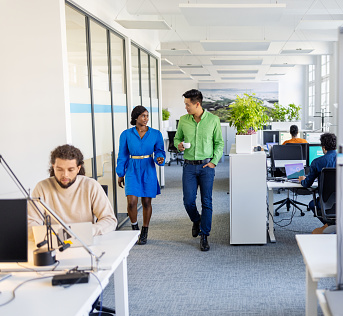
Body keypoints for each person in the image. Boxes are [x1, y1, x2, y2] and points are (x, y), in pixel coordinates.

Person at [27, 144, 117, 241]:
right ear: (53, 167)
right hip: (55, 242)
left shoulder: (91, 185)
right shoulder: (42, 187)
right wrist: (49, 236)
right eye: (59, 169)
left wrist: (91, 231)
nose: (65, 175)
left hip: (85, 241)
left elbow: (109, 220)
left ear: (78, 168)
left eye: (70, 170)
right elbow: (31, 223)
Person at [174, 89, 224, 252]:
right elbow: (177, 138)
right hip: (188, 166)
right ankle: (196, 220)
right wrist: (178, 145)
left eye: (188, 105)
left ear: (197, 104)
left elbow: (219, 143)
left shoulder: (213, 120)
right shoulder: (183, 120)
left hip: (206, 166)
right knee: (188, 201)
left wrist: (214, 162)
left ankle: (204, 235)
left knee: (206, 201)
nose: (186, 108)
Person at [116, 105, 165, 245]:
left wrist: (160, 159)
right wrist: (121, 173)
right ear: (136, 117)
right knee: (131, 202)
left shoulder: (156, 134)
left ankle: (144, 230)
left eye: (147, 116)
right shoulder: (126, 134)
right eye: (143, 115)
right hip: (132, 168)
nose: (146, 119)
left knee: (146, 202)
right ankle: (134, 227)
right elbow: (122, 155)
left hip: (148, 168)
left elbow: (160, 152)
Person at [298, 132, 337, 234]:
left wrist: (302, 179)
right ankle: (333, 226)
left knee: (312, 204)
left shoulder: (317, 162)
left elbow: (307, 184)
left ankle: (329, 225)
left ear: (324, 148)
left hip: (326, 202)